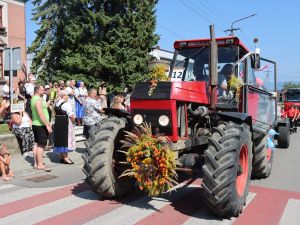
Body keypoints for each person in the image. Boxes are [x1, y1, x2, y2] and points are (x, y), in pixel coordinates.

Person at [31, 85, 52, 172]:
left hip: (36, 124)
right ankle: (40, 164)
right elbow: (40, 113)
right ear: (37, 91)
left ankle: (36, 163)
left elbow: (43, 108)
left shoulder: (35, 98)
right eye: (42, 90)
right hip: (40, 125)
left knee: (36, 144)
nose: (44, 91)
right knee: (41, 145)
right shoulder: (38, 100)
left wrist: (49, 102)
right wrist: (47, 125)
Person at [53, 90, 75, 164]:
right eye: (66, 95)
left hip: (58, 122)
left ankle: (62, 156)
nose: (68, 97)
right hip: (65, 123)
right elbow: (71, 115)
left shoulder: (57, 103)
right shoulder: (66, 104)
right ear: (63, 96)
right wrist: (74, 122)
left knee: (60, 139)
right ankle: (66, 158)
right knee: (66, 139)